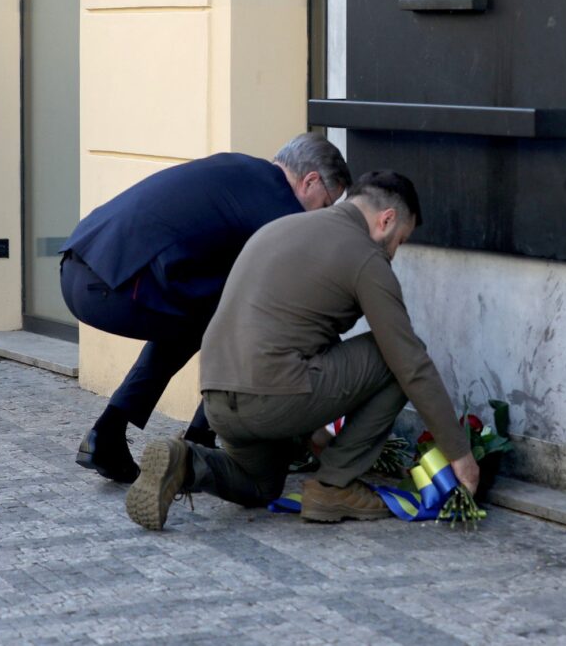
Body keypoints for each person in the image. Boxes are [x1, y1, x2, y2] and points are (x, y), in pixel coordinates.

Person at [124, 170, 478, 530]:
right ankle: (334, 485)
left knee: (261, 485)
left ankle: (186, 462)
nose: (394, 253)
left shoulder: (281, 227)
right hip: (273, 398)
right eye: (399, 241)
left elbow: (302, 332)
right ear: (386, 220)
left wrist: (319, 433)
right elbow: (411, 363)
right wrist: (460, 454)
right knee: (395, 357)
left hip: (217, 399)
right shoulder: (365, 256)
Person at [60, 133, 351, 484]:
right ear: (310, 181)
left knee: (200, 320)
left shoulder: (242, 171)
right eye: (325, 205)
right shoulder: (280, 204)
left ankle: (108, 436)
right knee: (238, 322)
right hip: (114, 283)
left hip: (78, 268)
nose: (321, 216)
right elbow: (303, 302)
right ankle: (199, 442)